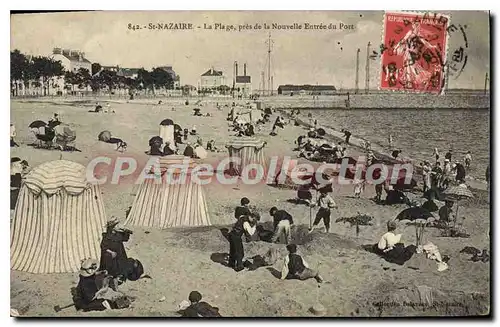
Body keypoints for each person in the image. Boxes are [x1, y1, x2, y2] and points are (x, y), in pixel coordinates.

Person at [99, 218, 132, 284]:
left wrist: (126, 231)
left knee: (120, 266)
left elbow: (125, 239)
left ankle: (117, 279)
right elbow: (103, 247)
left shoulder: (118, 234)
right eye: (116, 225)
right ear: (112, 227)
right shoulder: (106, 236)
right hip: (110, 256)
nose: (118, 226)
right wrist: (111, 252)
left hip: (120, 253)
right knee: (110, 269)